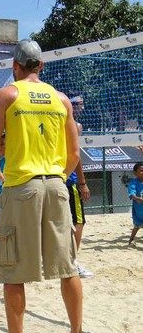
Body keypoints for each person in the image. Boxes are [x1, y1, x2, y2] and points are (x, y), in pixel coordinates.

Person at [0, 39, 86, 333]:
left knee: (13, 269)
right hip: (56, 185)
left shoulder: (6, 95)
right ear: (41, 66)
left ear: (15, 65)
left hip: (21, 185)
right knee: (68, 267)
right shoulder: (62, 100)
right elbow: (73, 154)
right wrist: (59, 177)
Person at [68, 96, 94, 278]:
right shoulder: (74, 126)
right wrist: (83, 183)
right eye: (79, 104)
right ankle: (73, 262)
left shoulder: (50, 122)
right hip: (68, 181)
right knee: (78, 222)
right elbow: (75, 156)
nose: (81, 107)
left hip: (49, 178)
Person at [128, 162, 143, 245]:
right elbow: (131, 193)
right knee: (137, 226)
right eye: (141, 170)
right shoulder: (134, 182)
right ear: (135, 173)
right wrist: (138, 198)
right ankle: (131, 239)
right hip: (139, 209)